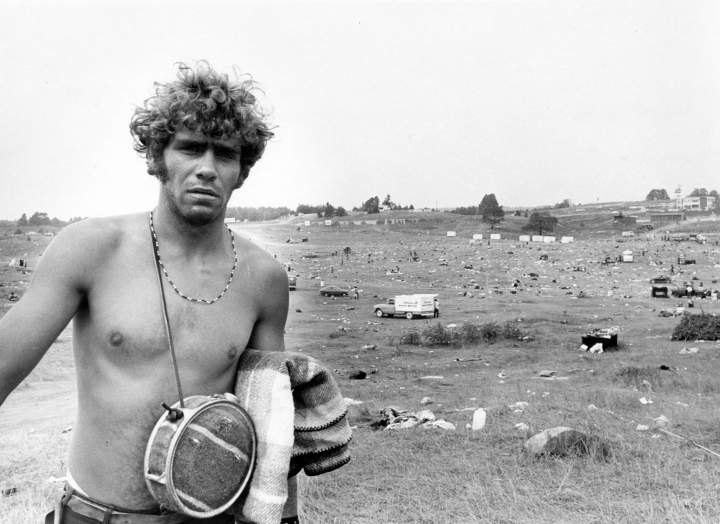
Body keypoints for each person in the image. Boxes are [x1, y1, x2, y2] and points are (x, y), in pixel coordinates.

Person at [0, 62, 290, 523]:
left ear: (242, 171)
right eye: (190, 148)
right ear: (158, 157)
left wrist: (285, 517)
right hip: (93, 516)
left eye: (225, 155)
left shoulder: (264, 279)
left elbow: (272, 421)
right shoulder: (91, 249)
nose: (207, 169)